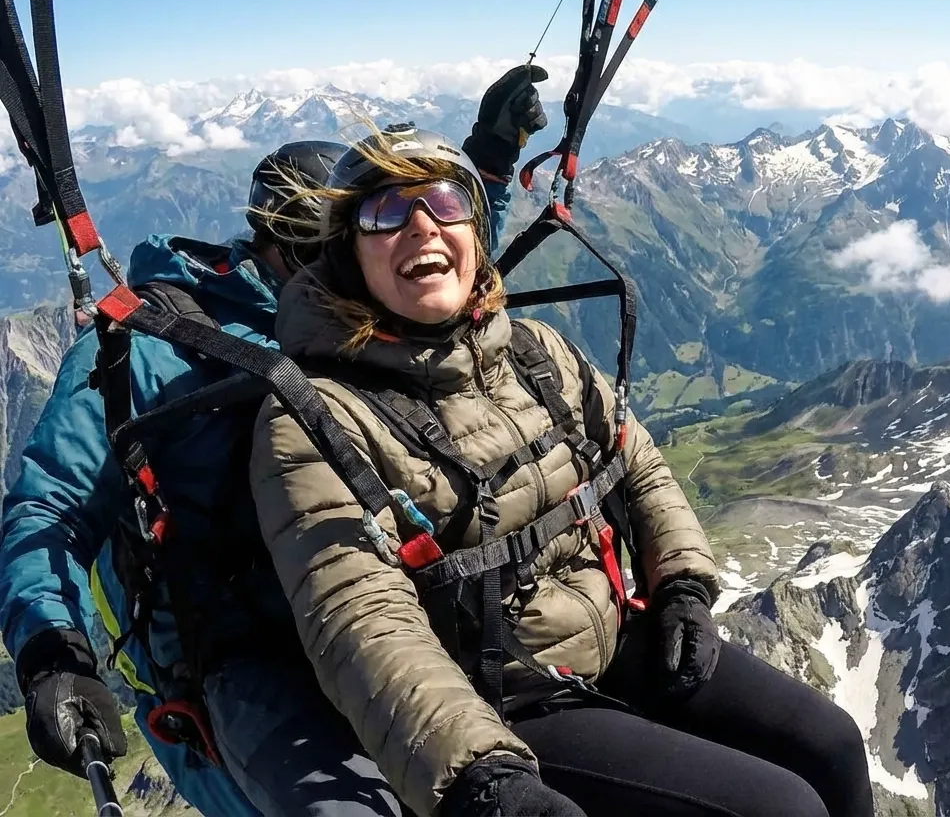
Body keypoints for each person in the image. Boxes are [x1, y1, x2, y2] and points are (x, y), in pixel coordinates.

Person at [248, 125, 877, 817]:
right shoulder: (314, 418)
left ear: (474, 232)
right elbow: (362, 617)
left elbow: (635, 460)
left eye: (444, 203)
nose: (422, 226)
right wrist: (481, 775)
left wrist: (681, 584)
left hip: (617, 632)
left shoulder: (532, 349)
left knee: (833, 745)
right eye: (385, 212)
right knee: (782, 809)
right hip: (505, 700)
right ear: (348, 253)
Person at [0, 63, 549, 816]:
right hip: (241, 652)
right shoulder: (149, 347)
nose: (367, 259)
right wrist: (52, 651)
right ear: (292, 246)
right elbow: (51, 508)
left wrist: (487, 161)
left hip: (368, 598)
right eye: (344, 243)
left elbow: (437, 278)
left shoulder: (341, 312)